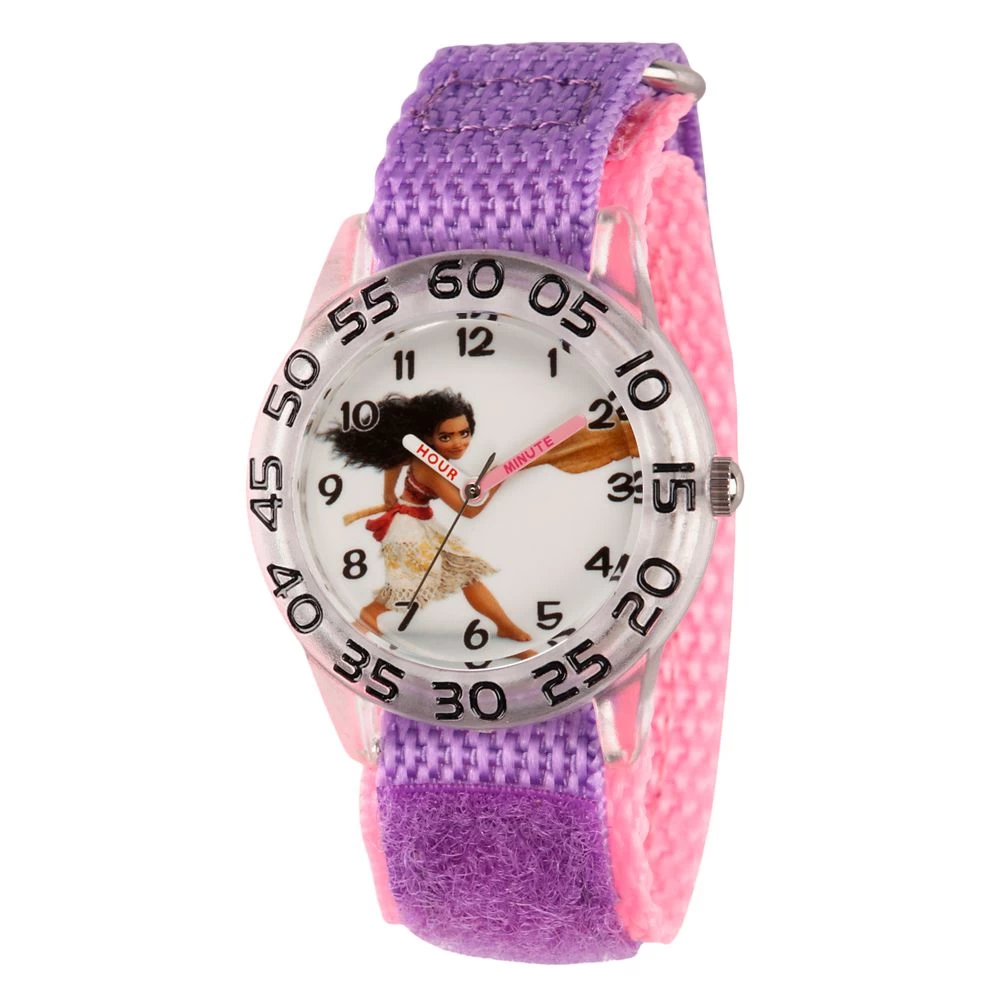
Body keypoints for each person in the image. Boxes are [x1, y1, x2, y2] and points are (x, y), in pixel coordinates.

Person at [321, 389, 533, 648]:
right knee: (415, 582)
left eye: (464, 433)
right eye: (446, 436)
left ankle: (504, 625)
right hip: (409, 528)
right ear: (428, 437)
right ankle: (368, 617)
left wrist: (389, 493)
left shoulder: (424, 457)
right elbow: (467, 509)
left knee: (463, 574)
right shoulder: (430, 468)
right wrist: (498, 479)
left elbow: (395, 461)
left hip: (419, 520)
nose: (458, 443)